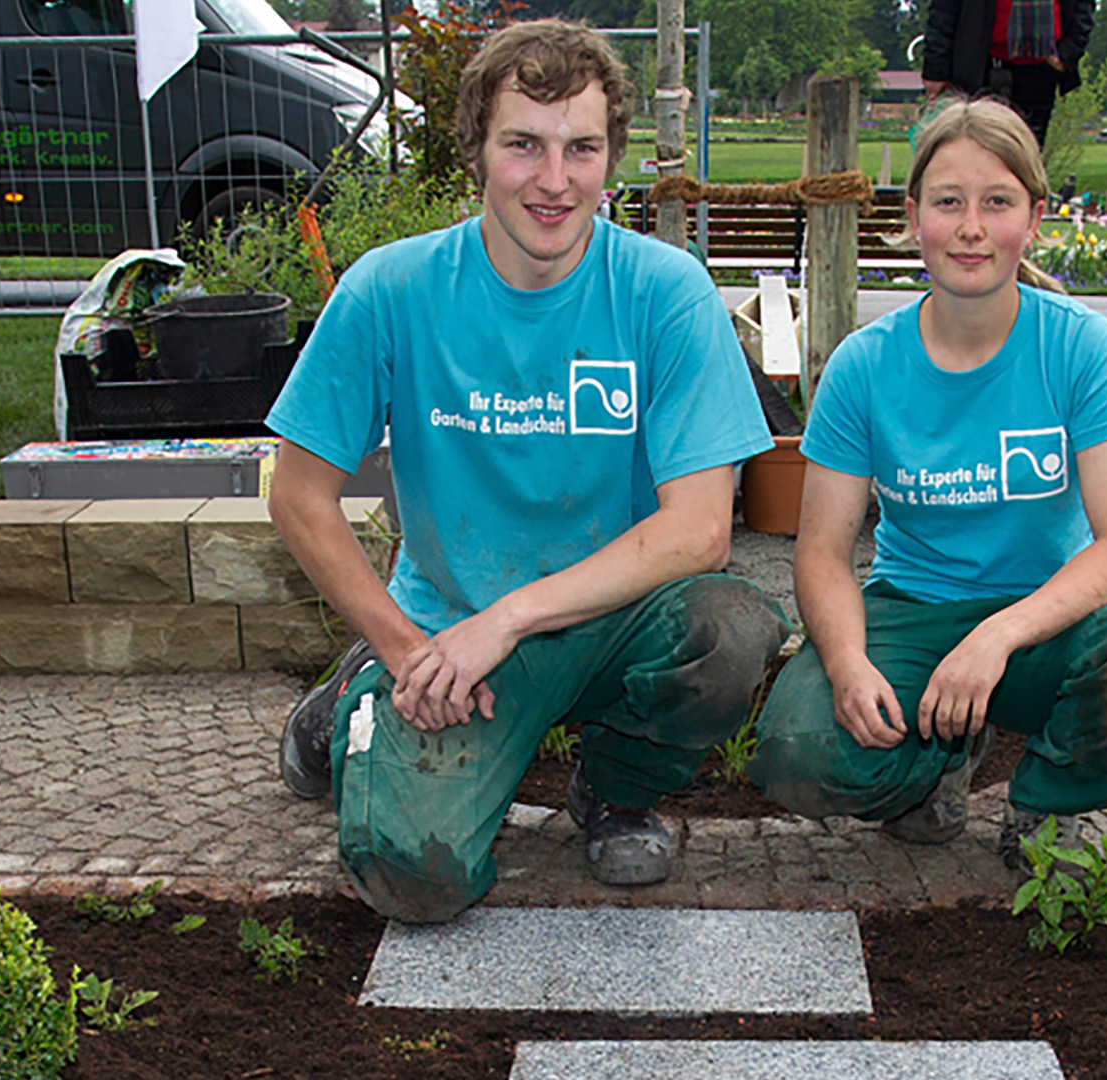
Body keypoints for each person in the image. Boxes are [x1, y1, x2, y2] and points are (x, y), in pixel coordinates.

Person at [266, 19, 789, 924]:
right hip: (446, 637)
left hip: (606, 621)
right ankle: (355, 696)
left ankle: (615, 788)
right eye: (524, 146)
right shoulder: (392, 290)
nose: (555, 181)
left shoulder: (666, 293)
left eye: (582, 148)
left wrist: (509, 621)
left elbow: (700, 529)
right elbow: (299, 496)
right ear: (476, 150)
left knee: (731, 630)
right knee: (413, 879)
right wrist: (406, 649)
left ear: (611, 156)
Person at [745, 98, 1107, 875]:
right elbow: (824, 554)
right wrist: (848, 664)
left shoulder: (1082, 348)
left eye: (997, 202)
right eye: (949, 202)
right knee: (798, 749)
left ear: (1033, 218)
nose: (971, 227)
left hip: (1047, 622)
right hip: (915, 609)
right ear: (913, 217)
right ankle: (933, 769)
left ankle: (1048, 795)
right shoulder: (863, 366)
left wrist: (997, 637)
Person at [920, 0, 1096, 147]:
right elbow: (943, 9)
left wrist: (1067, 53)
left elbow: (1082, 8)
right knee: (972, 155)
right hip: (978, 69)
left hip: (1039, 72)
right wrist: (935, 69)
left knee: (1025, 164)